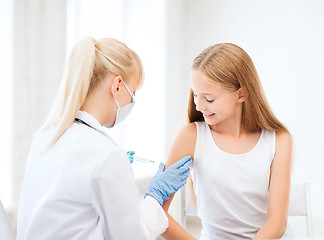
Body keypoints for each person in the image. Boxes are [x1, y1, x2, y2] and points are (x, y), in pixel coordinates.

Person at [17, 37, 192, 240]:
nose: (132, 101)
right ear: (117, 86)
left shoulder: (45, 138)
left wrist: (112, 171)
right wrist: (155, 195)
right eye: (132, 93)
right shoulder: (106, 155)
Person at [161, 43, 292, 240]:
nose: (199, 105)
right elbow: (157, 213)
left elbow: (277, 223)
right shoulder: (191, 137)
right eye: (196, 95)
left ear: (241, 94)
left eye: (210, 99)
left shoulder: (279, 141)